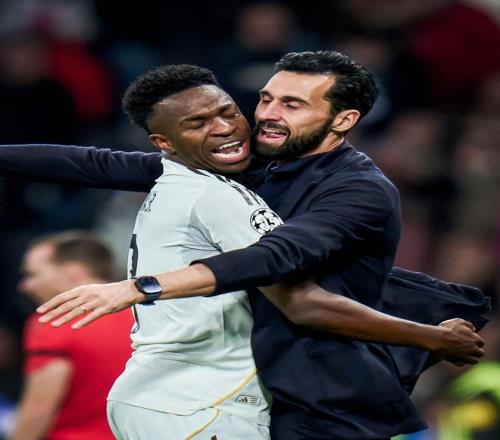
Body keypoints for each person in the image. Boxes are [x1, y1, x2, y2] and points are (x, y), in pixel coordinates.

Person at [0, 54, 488, 439]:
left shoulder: (358, 191)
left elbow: (277, 260)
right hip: (246, 385)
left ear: (343, 120)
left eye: (292, 105)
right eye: (266, 99)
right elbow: (98, 164)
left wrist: (140, 287)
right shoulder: (247, 161)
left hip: (322, 396)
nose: (268, 116)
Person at [10, 231, 133, 440]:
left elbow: (39, 411)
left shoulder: (54, 321)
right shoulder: (146, 317)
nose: (24, 286)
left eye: (32, 275)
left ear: (71, 273)